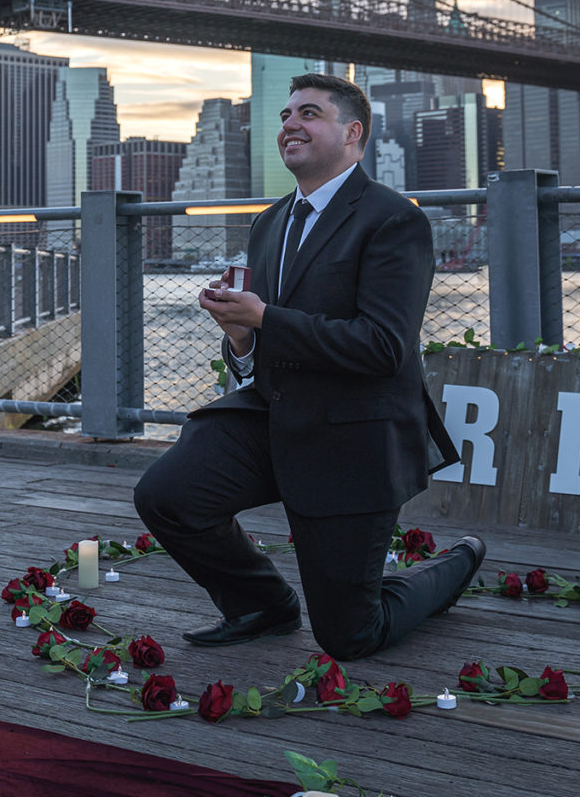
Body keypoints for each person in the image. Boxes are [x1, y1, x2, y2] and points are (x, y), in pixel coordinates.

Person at [134, 73, 484, 660]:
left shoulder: (395, 220)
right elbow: (263, 343)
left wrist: (265, 317)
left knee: (350, 635)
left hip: (354, 436)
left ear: (353, 134)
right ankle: (262, 603)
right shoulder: (270, 222)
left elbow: (382, 348)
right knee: (169, 494)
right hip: (275, 415)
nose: (290, 124)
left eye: (309, 114)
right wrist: (242, 336)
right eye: (286, 115)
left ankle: (458, 562)